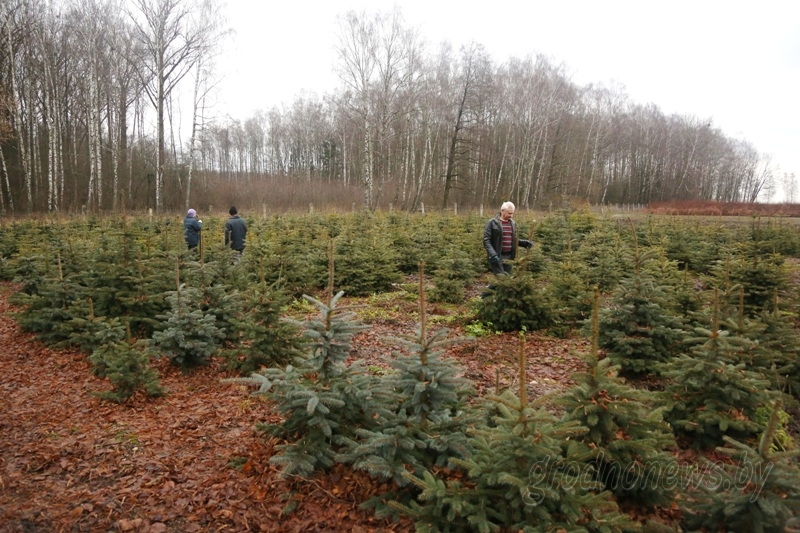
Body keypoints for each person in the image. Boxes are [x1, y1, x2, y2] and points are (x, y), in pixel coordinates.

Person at [483, 201, 533, 276]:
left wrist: (524, 243)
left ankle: (490, 287)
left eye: (512, 213)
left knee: (506, 279)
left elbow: (513, 239)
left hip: (509, 256)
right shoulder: (492, 223)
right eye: (509, 213)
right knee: (502, 278)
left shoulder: (513, 223)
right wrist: (493, 254)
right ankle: (489, 288)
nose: (511, 216)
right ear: (502, 211)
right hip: (497, 256)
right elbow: (486, 241)